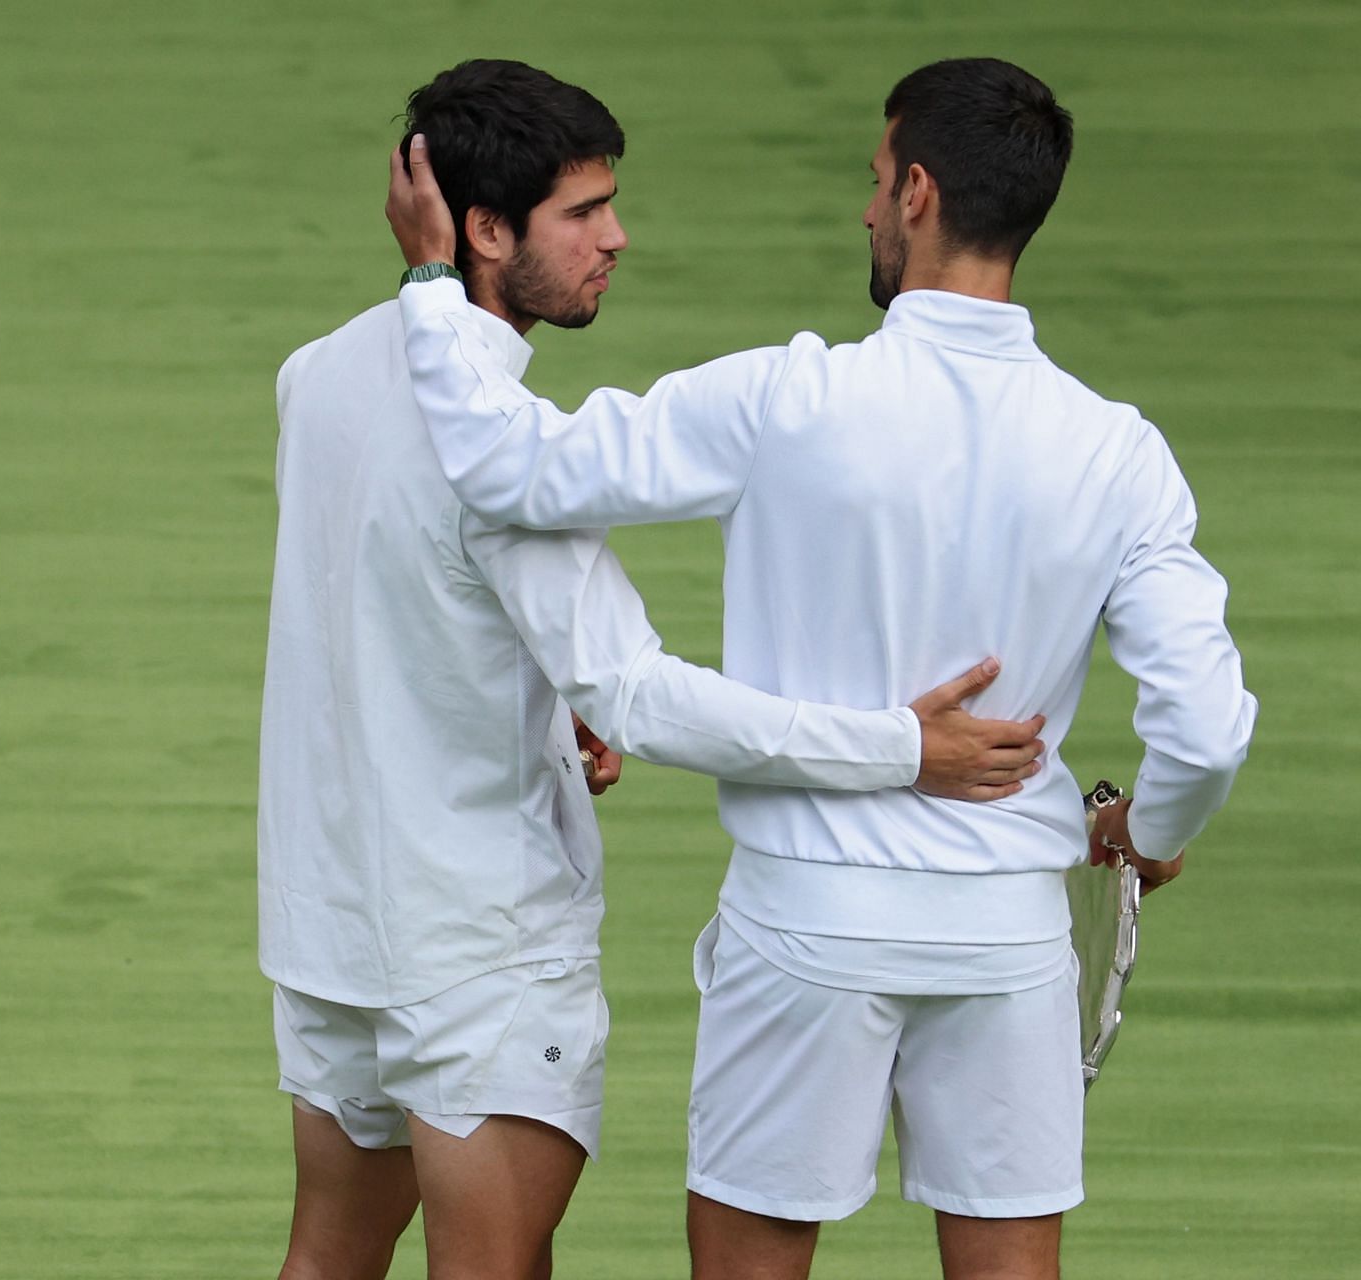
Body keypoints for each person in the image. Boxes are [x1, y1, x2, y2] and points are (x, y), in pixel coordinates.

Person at [385, 56, 1256, 1280]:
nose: (863, 208)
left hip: (805, 923)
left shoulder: (784, 397)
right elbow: (1208, 728)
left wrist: (434, 282)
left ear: (916, 192)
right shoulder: (1121, 453)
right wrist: (1148, 829)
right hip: (1005, 937)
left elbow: (506, 466)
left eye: (872, 180)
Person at [264, 59, 1049, 1280]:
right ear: (481, 231)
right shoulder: (511, 467)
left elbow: (388, 611)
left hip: (329, 936)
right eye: (582, 213)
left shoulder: (313, 378)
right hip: (480, 955)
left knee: (324, 1258)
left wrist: (537, 704)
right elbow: (639, 690)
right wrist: (903, 743)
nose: (617, 238)